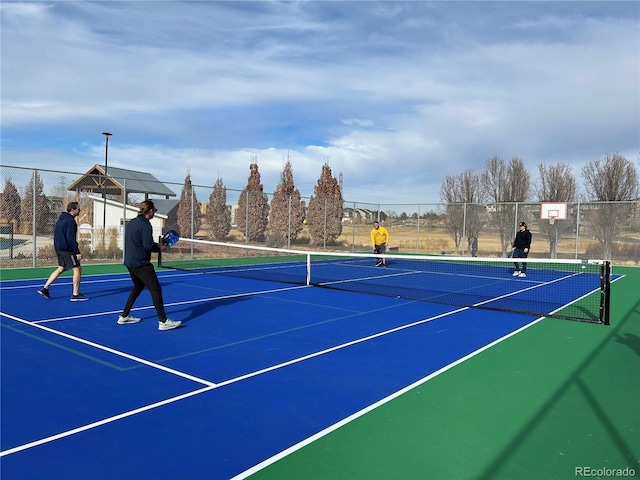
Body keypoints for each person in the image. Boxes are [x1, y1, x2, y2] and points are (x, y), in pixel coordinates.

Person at [118, 200, 181, 331]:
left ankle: (124, 316)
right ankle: (163, 321)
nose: (154, 213)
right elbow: (147, 246)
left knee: (138, 286)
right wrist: (160, 248)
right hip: (141, 263)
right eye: (154, 211)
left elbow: (142, 242)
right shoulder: (146, 225)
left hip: (130, 262)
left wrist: (158, 245)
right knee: (155, 289)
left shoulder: (133, 223)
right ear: (150, 211)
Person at [38, 201, 88, 301]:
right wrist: (77, 252)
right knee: (77, 269)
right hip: (67, 250)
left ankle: (45, 288)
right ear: (73, 210)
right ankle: (75, 294)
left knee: (61, 268)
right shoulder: (70, 221)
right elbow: (71, 238)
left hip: (59, 249)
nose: (80, 210)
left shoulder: (60, 220)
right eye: (78, 209)